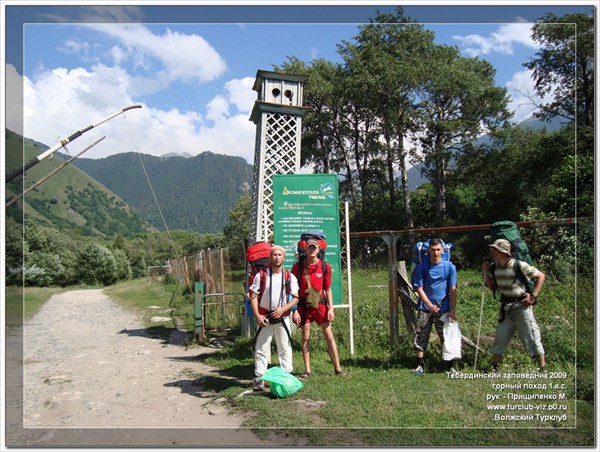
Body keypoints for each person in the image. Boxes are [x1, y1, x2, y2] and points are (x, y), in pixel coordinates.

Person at [481, 238, 546, 372]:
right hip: (505, 307)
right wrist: (485, 272)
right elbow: (491, 286)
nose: (492, 251)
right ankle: (495, 368)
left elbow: (540, 276)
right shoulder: (494, 267)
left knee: (532, 336)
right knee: (500, 337)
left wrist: (533, 296)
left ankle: (542, 368)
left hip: (522, 306)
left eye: (495, 249)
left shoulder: (519, 265)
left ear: (503, 252)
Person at [291, 238, 346, 378]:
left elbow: (327, 289)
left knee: (329, 336)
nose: (312, 249)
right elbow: (293, 290)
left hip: (321, 305)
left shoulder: (325, 267)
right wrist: (295, 310)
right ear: (305, 249)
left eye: (314, 247)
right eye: (309, 247)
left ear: (318, 249)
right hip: (304, 306)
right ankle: (307, 370)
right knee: (305, 337)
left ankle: (338, 369)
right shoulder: (298, 268)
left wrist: (331, 308)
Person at [248, 245, 299, 391]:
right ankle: (259, 379)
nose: (277, 257)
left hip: (282, 318)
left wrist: (283, 309)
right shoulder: (261, 275)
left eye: (279, 255)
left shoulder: (290, 276)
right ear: (270, 257)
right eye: (274, 255)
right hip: (264, 317)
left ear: (284, 257)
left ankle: (286, 377)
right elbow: (253, 296)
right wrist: (257, 315)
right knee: (261, 348)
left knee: (284, 348)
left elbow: (296, 297)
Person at [412, 238, 458, 375]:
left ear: (442, 250)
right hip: (425, 308)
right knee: (421, 335)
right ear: (428, 251)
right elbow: (419, 288)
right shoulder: (422, 267)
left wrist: (452, 310)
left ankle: (450, 366)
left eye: (438, 250)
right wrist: (429, 305)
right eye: (433, 250)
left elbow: (453, 289)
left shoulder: (449, 267)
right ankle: (420, 365)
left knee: (445, 336)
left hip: (443, 309)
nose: (436, 253)